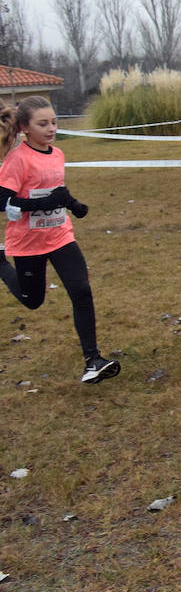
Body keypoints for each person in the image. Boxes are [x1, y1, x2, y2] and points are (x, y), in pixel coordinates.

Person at [0, 96, 120, 384]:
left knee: (81, 291)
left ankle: (93, 361)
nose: (51, 128)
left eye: (54, 122)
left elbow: (56, 192)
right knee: (33, 300)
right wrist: (40, 205)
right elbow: (2, 201)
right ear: (25, 128)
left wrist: (73, 205)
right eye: (43, 124)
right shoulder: (17, 159)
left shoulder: (57, 154)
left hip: (60, 235)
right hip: (28, 242)